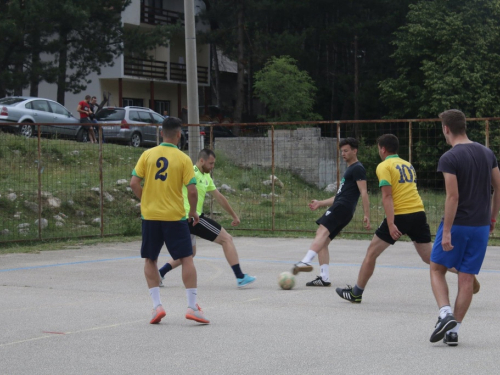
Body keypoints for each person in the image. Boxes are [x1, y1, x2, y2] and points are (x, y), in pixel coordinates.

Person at [429, 109, 500, 346]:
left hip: (458, 224)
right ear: (464, 126)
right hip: (480, 226)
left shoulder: (449, 157)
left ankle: (445, 313)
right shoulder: (487, 152)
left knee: (437, 268)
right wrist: (492, 218)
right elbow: (498, 188)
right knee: (467, 278)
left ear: (446, 129)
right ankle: (453, 331)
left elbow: (453, 197)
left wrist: (447, 230)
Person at [130, 117, 210, 325]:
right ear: (178, 135)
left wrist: (146, 200)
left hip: (151, 216)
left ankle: (157, 306)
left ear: (160, 134)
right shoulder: (183, 159)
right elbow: (192, 190)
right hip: (175, 216)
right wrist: (193, 212)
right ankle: (192, 307)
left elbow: (134, 182)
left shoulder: (147, 155)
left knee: (150, 259)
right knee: (186, 258)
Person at [335, 134, 433, 303]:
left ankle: (356, 293)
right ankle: (462, 272)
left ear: (383, 149)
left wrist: (391, 223)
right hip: (418, 212)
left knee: (371, 253)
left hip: (400, 215)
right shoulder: (407, 164)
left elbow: (387, 196)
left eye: (378, 147)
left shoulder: (384, 166)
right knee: (430, 258)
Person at [159, 148, 256, 288]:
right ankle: (240, 277)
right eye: (211, 163)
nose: (212, 167)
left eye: (214, 164)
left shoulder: (206, 177)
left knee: (190, 253)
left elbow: (219, 197)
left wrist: (234, 215)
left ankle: (160, 274)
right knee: (226, 239)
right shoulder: (190, 172)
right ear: (202, 160)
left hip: (189, 218)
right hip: (190, 217)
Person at [292, 137, 371, 286]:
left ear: (355, 151)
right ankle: (324, 278)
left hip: (342, 207)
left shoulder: (357, 168)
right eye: (342, 151)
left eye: (346, 150)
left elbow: (364, 192)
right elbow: (339, 196)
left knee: (320, 232)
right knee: (323, 242)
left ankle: (305, 262)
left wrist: (367, 214)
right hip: (342, 207)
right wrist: (320, 203)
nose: (343, 154)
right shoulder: (350, 169)